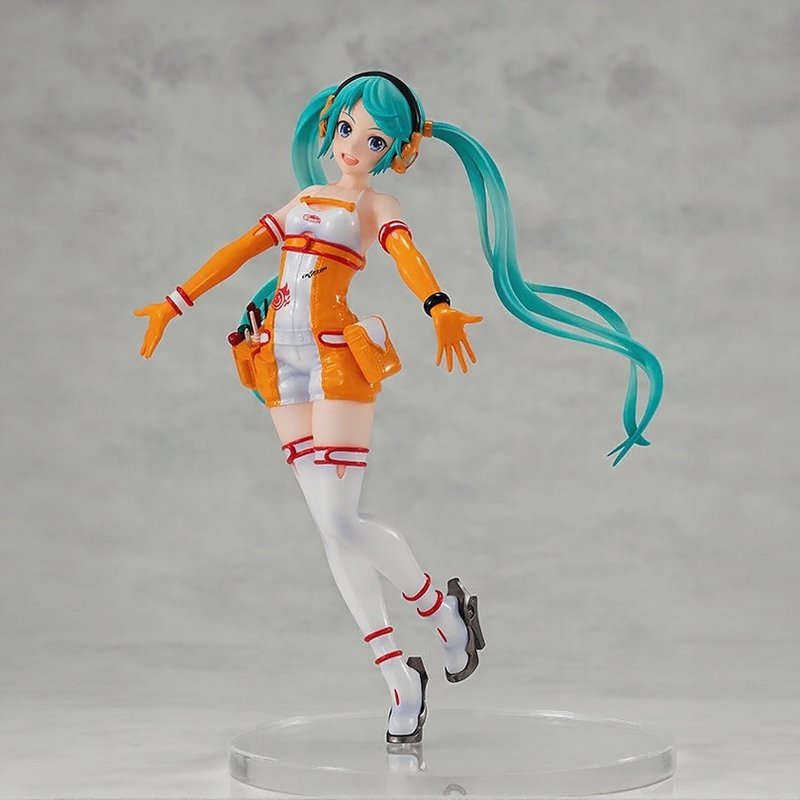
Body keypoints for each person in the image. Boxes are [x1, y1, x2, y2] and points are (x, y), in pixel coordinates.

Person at [135, 71, 662, 744]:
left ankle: (439, 608)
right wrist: (174, 303)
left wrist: (438, 307)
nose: (354, 147)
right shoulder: (302, 201)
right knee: (331, 531)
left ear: (397, 152)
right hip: (279, 363)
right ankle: (398, 676)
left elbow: (405, 253)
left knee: (339, 519)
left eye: (374, 140)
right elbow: (240, 250)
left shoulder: (374, 205)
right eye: (347, 129)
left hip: (335, 359)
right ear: (331, 124)